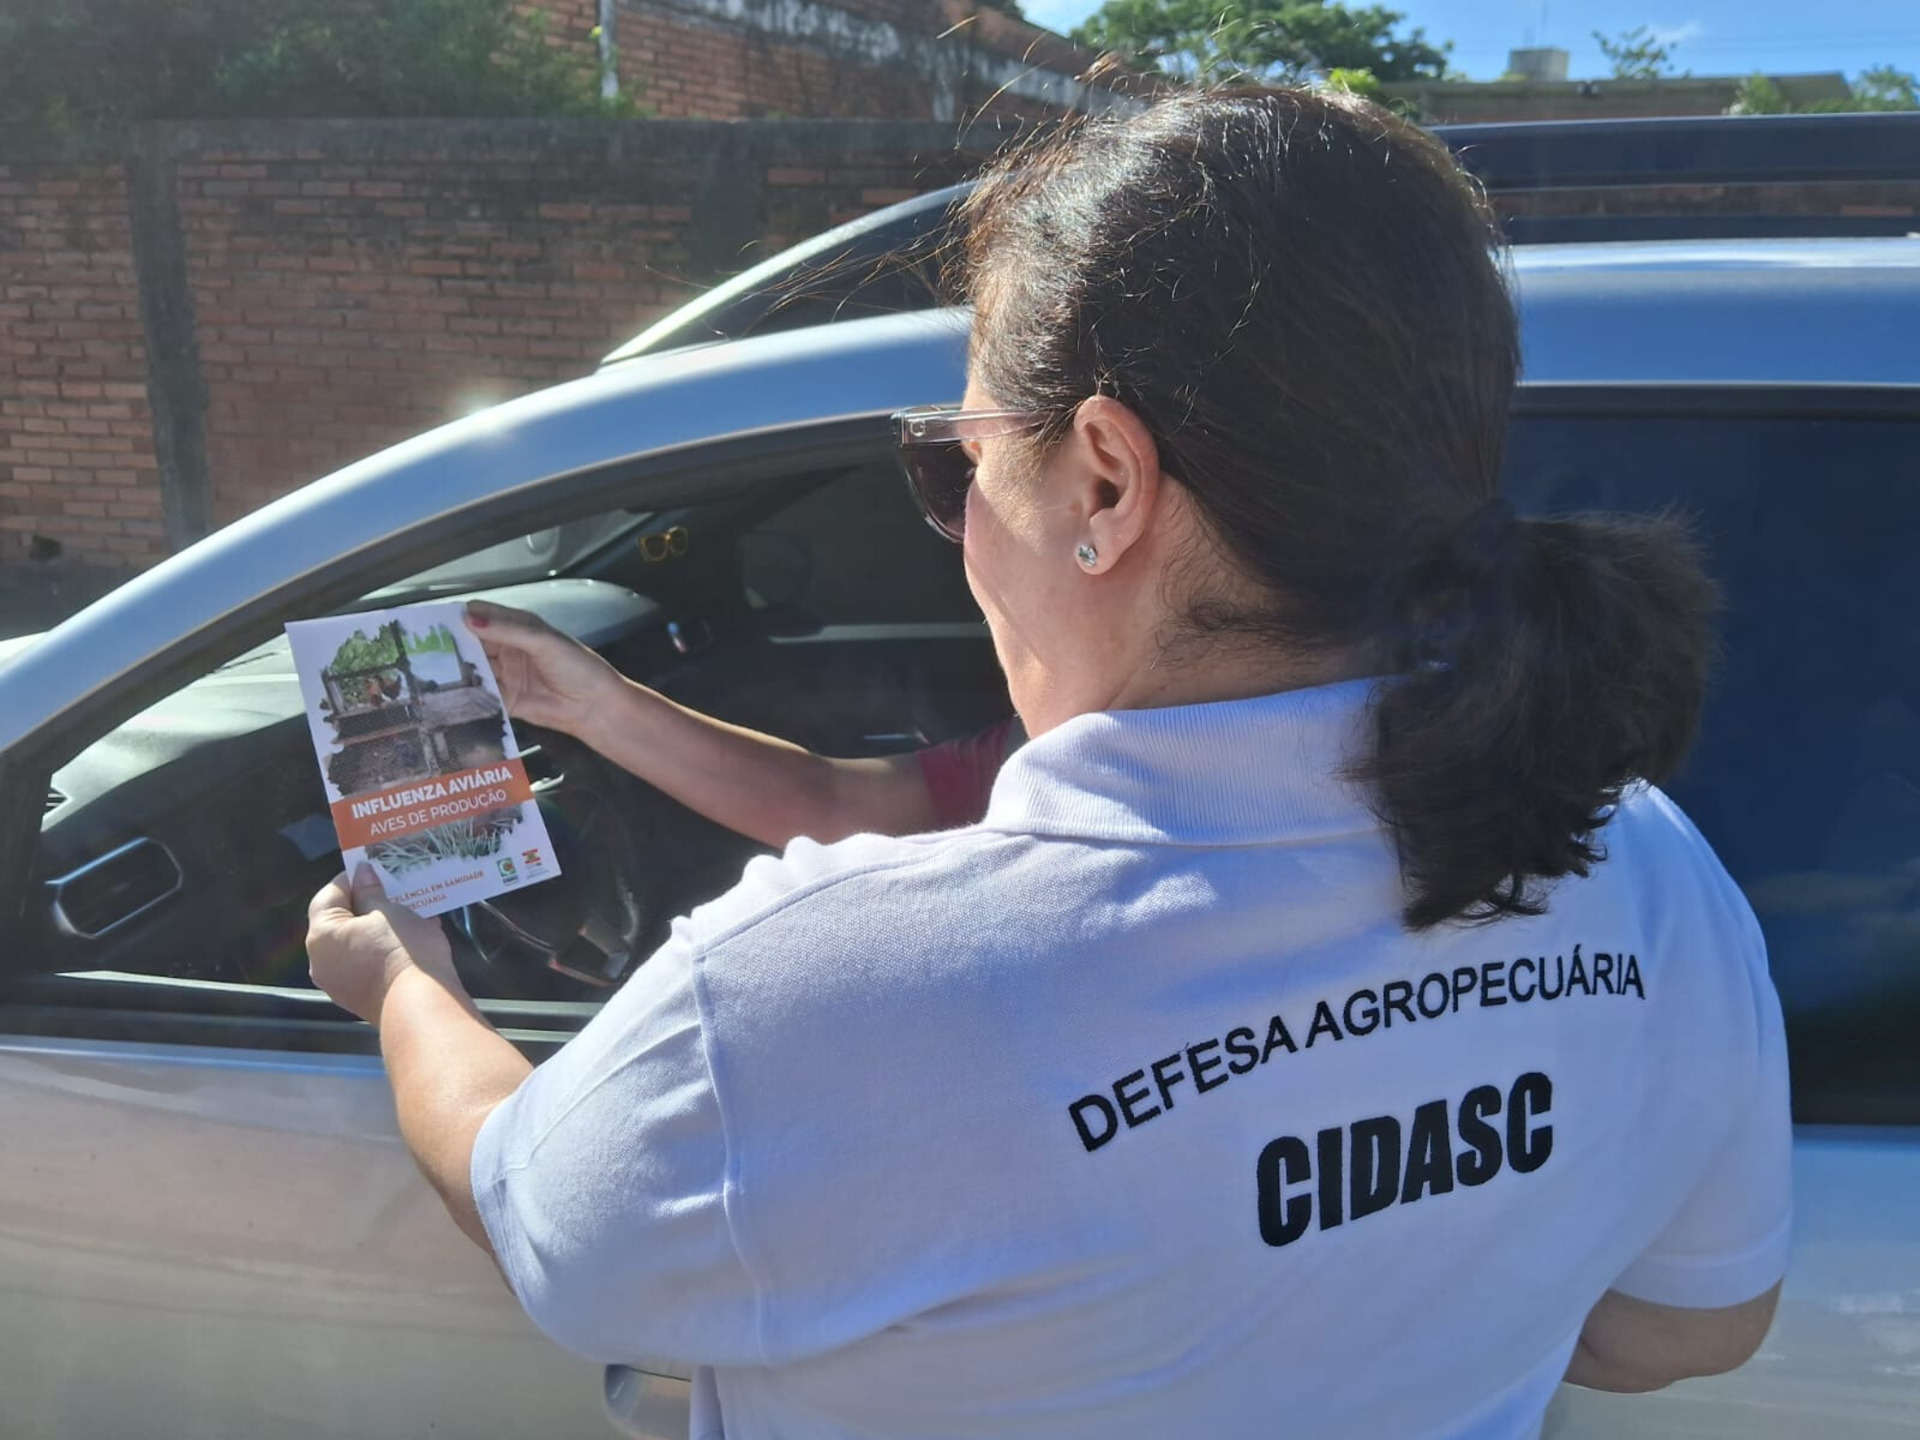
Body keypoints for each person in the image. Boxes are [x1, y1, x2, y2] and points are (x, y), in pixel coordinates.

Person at [306, 85, 1790, 1438]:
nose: (959, 527)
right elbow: (1698, 1321)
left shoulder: (819, 998)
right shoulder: (1647, 869)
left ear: (1103, 480)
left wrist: (403, 982)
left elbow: (525, 1201)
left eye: (957, 465)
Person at [457, 597, 1024, 843]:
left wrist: (413, 974)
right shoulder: (1037, 752)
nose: (965, 527)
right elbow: (831, 801)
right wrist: (595, 708)